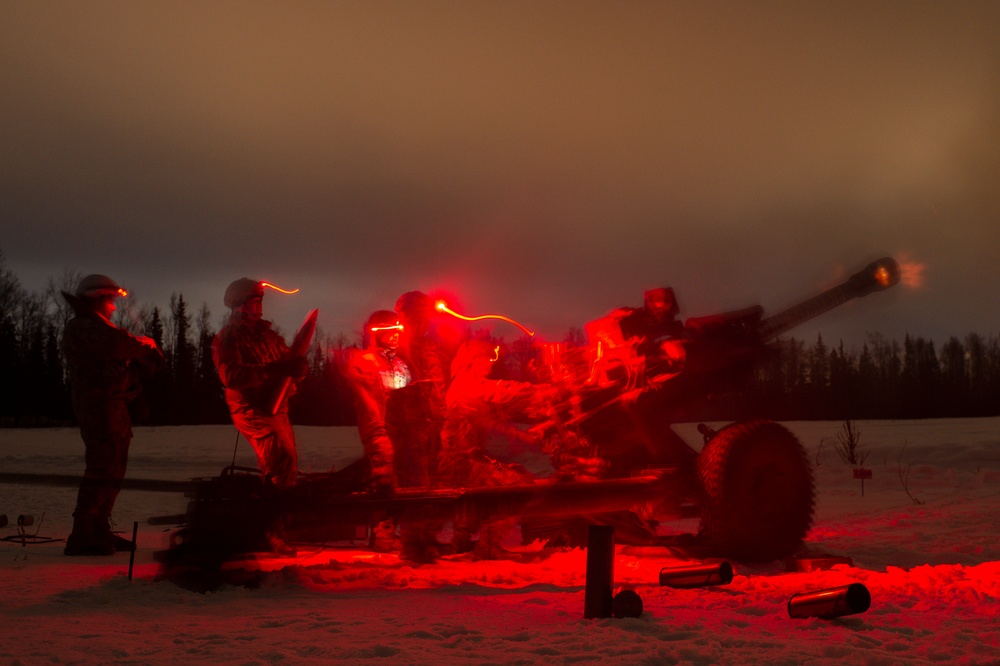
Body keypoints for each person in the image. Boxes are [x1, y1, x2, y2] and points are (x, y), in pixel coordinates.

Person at [62, 274, 163, 556]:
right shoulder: (82, 328)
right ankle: (82, 533)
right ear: (96, 299)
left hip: (114, 407)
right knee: (101, 468)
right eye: (110, 300)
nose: (114, 307)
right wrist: (147, 347)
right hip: (98, 408)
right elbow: (117, 344)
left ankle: (99, 528)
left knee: (115, 469)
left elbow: (118, 355)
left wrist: (138, 378)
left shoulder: (99, 329)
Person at [212, 278, 308, 488]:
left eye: (260, 301)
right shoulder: (229, 337)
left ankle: (278, 500)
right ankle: (275, 511)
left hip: (276, 406)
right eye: (253, 301)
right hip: (251, 409)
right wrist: (271, 371)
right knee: (281, 458)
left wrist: (298, 369)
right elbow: (231, 375)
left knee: (285, 460)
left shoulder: (269, 337)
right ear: (239, 304)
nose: (258, 306)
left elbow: (287, 364)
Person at [342, 310, 412, 492]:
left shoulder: (399, 365)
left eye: (398, 331)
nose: (396, 335)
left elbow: (404, 393)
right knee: (383, 460)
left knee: (399, 468)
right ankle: (381, 515)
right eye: (390, 331)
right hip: (375, 424)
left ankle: (394, 511)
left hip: (397, 427)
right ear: (378, 333)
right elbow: (363, 393)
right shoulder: (366, 361)